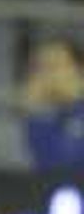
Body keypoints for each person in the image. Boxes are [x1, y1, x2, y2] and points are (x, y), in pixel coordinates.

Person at [19, 35, 84, 171]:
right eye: (40, 68)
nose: (47, 74)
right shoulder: (39, 116)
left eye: (55, 66)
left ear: (79, 69)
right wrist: (36, 113)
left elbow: (62, 165)